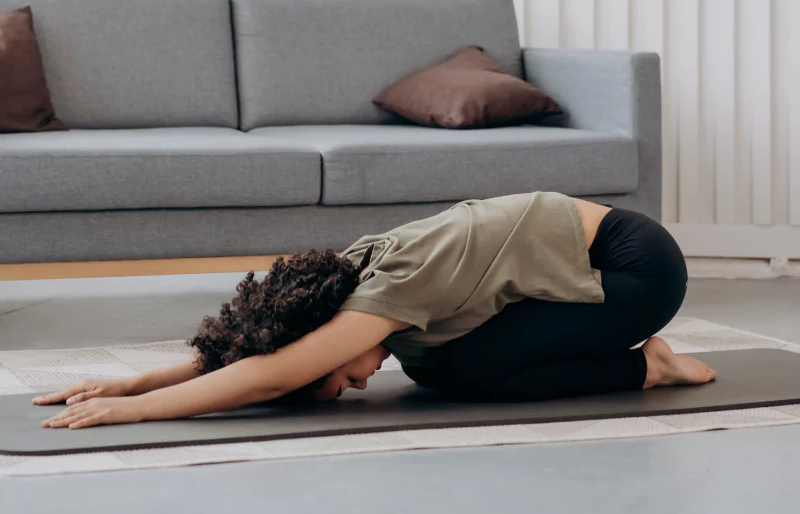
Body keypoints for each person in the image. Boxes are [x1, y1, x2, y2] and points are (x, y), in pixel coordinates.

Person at [34, 192, 716, 430]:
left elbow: (271, 374)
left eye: (333, 378)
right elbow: (259, 350)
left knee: (465, 370)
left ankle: (649, 365)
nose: (352, 384)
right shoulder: (339, 283)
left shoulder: (387, 290)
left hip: (636, 270)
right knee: (435, 366)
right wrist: (135, 378)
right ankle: (637, 360)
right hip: (585, 266)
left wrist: (139, 410)